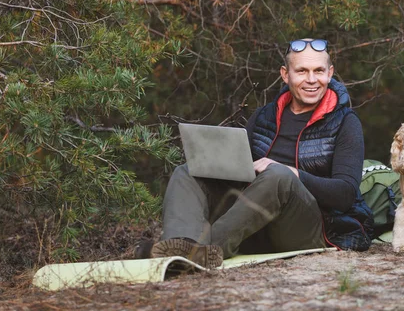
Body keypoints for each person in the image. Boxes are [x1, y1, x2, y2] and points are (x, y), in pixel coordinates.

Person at [135, 38, 374, 268]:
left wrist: (294, 173)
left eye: (319, 71)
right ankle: (182, 246)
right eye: (302, 71)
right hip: (257, 224)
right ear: (285, 74)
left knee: (278, 176)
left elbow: (345, 194)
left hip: (309, 228)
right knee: (188, 172)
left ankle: (204, 251)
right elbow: (241, 172)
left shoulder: (345, 122)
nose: (311, 80)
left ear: (330, 73)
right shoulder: (264, 116)